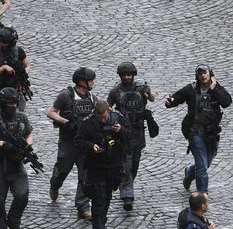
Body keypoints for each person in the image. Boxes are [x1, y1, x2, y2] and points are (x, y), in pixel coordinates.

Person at [165, 64, 232, 193]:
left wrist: (215, 88)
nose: (202, 75)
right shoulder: (191, 89)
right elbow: (175, 98)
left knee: (205, 163)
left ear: (210, 74)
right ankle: (202, 196)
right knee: (202, 167)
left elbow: (227, 102)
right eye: (200, 73)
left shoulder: (216, 88)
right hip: (195, 132)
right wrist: (169, 102)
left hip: (212, 133)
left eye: (205, 73)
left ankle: (189, 172)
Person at [46, 67, 97, 221]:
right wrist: (65, 122)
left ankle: (83, 206)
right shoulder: (66, 96)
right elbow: (51, 112)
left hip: (84, 143)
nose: (94, 83)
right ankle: (55, 184)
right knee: (62, 170)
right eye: (91, 80)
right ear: (82, 82)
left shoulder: (92, 98)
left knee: (86, 174)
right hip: (68, 142)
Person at [0, 87, 32, 229]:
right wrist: (2, 143)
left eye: (15, 103)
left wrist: (27, 145)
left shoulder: (21, 117)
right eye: (10, 103)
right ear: (3, 104)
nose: (13, 106)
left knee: (22, 195)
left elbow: (29, 133)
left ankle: (14, 220)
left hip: (16, 163)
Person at [107, 62, 155, 211]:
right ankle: (127, 194)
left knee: (135, 162)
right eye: (124, 75)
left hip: (138, 131)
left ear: (133, 75)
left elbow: (152, 98)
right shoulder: (116, 91)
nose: (127, 77)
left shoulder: (141, 88)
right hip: (123, 132)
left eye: (129, 74)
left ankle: (125, 184)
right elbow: (107, 107)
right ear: (120, 76)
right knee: (126, 162)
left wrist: (149, 94)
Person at [74, 100, 130, 229]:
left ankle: (101, 222)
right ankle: (98, 225)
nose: (103, 121)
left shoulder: (118, 118)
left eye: (105, 117)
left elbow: (129, 136)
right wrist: (91, 146)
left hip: (113, 164)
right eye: (100, 118)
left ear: (108, 111)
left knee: (106, 197)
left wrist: (120, 130)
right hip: (96, 166)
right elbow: (78, 140)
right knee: (98, 198)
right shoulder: (88, 122)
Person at [0, 26, 30, 111]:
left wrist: (23, 77)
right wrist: (3, 68)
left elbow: (27, 65)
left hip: (14, 89)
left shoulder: (18, 51)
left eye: (5, 42)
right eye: (1, 41)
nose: (2, 44)